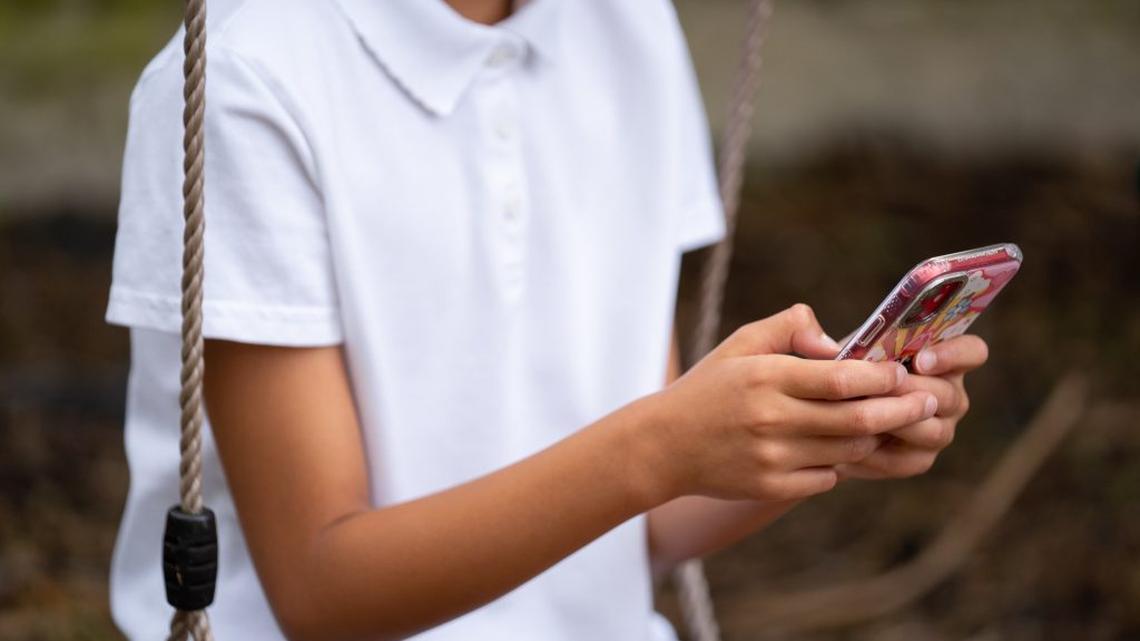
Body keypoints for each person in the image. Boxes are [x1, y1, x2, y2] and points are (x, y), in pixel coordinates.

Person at [104, 0, 989, 639]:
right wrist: (660, 445)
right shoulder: (247, 76)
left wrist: (822, 428)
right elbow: (321, 591)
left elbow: (652, 519)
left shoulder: (627, 25)